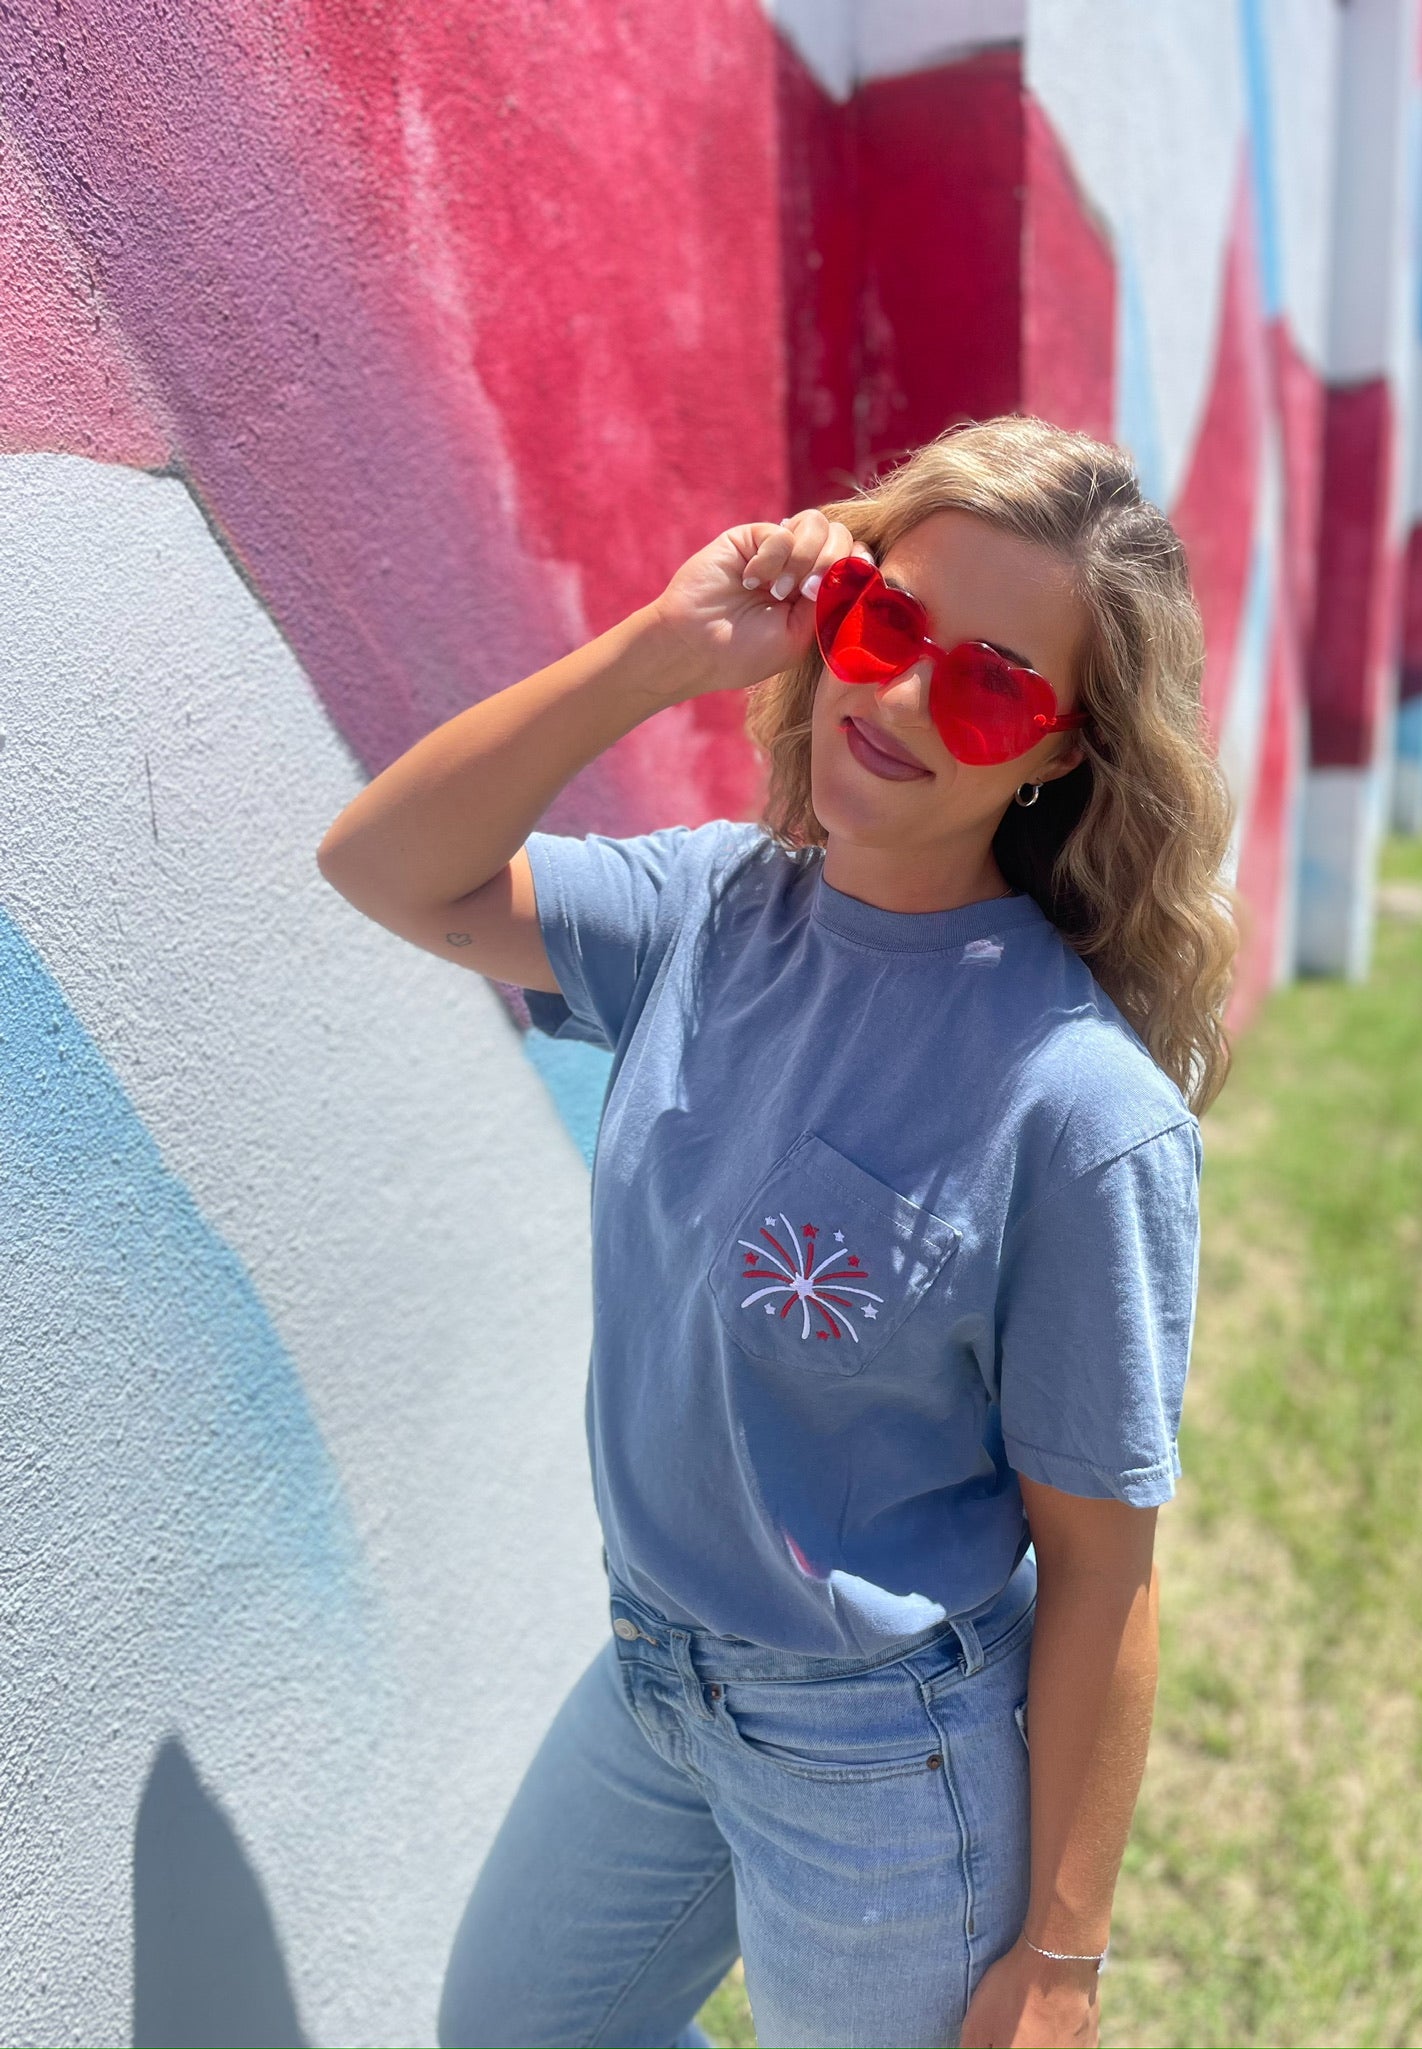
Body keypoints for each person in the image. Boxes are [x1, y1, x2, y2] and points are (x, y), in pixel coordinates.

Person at [316, 414, 1238, 2049]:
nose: (894, 700)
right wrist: (653, 654)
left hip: (879, 1758)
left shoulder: (1077, 1110)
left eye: (992, 687)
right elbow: (384, 865)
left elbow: (1103, 1562)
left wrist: (1060, 1956)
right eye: (886, 626)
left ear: (1056, 755)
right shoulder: (708, 910)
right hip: (653, 1678)